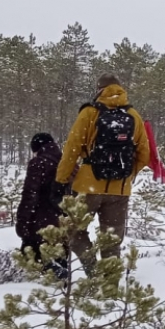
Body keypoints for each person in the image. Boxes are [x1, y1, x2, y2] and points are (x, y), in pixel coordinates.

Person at [55, 74, 150, 270]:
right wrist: (127, 175)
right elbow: (144, 154)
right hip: (120, 191)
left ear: (99, 90)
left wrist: (61, 179)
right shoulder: (133, 115)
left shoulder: (89, 112)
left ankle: (93, 271)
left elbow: (72, 148)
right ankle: (109, 283)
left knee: (73, 231)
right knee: (111, 241)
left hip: (87, 186)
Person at [16, 132, 68, 280]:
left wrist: (22, 221)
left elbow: (29, 195)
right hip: (64, 219)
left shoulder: (38, 163)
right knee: (60, 256)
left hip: (40, 220)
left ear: (36, 148)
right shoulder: (67, 162)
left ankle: (41, 284)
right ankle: (63, 284)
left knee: (34, 257)